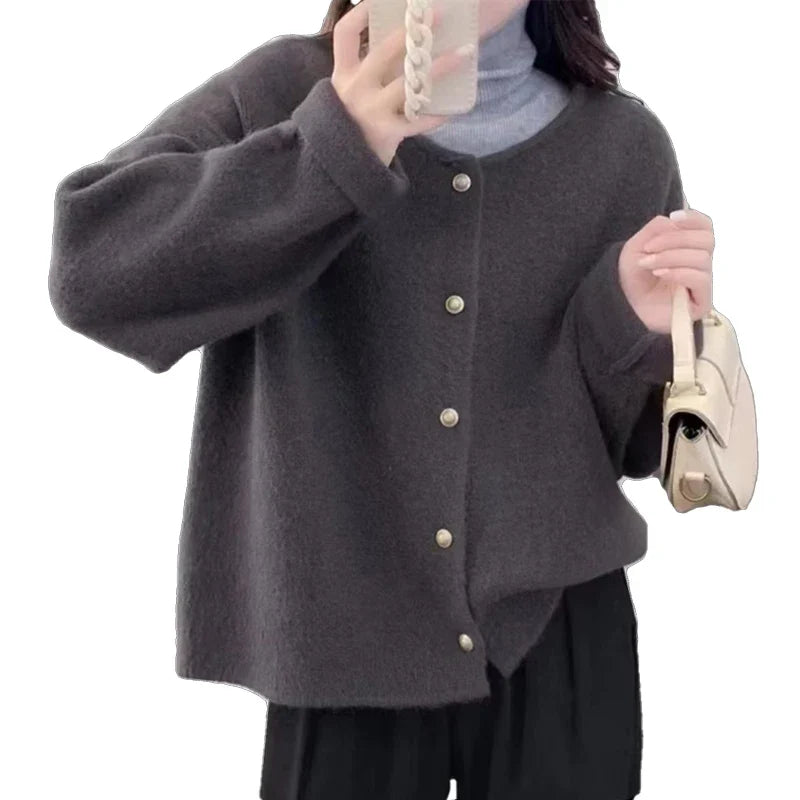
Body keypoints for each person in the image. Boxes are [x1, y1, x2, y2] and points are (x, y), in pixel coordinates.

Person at [47, 0, 714, 797]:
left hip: (560, 634)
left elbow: (636, 450)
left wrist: (631, 325)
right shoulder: (285, 93)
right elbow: (91, 269)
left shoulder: (625, 146)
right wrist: (336, 146)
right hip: (339, 644)